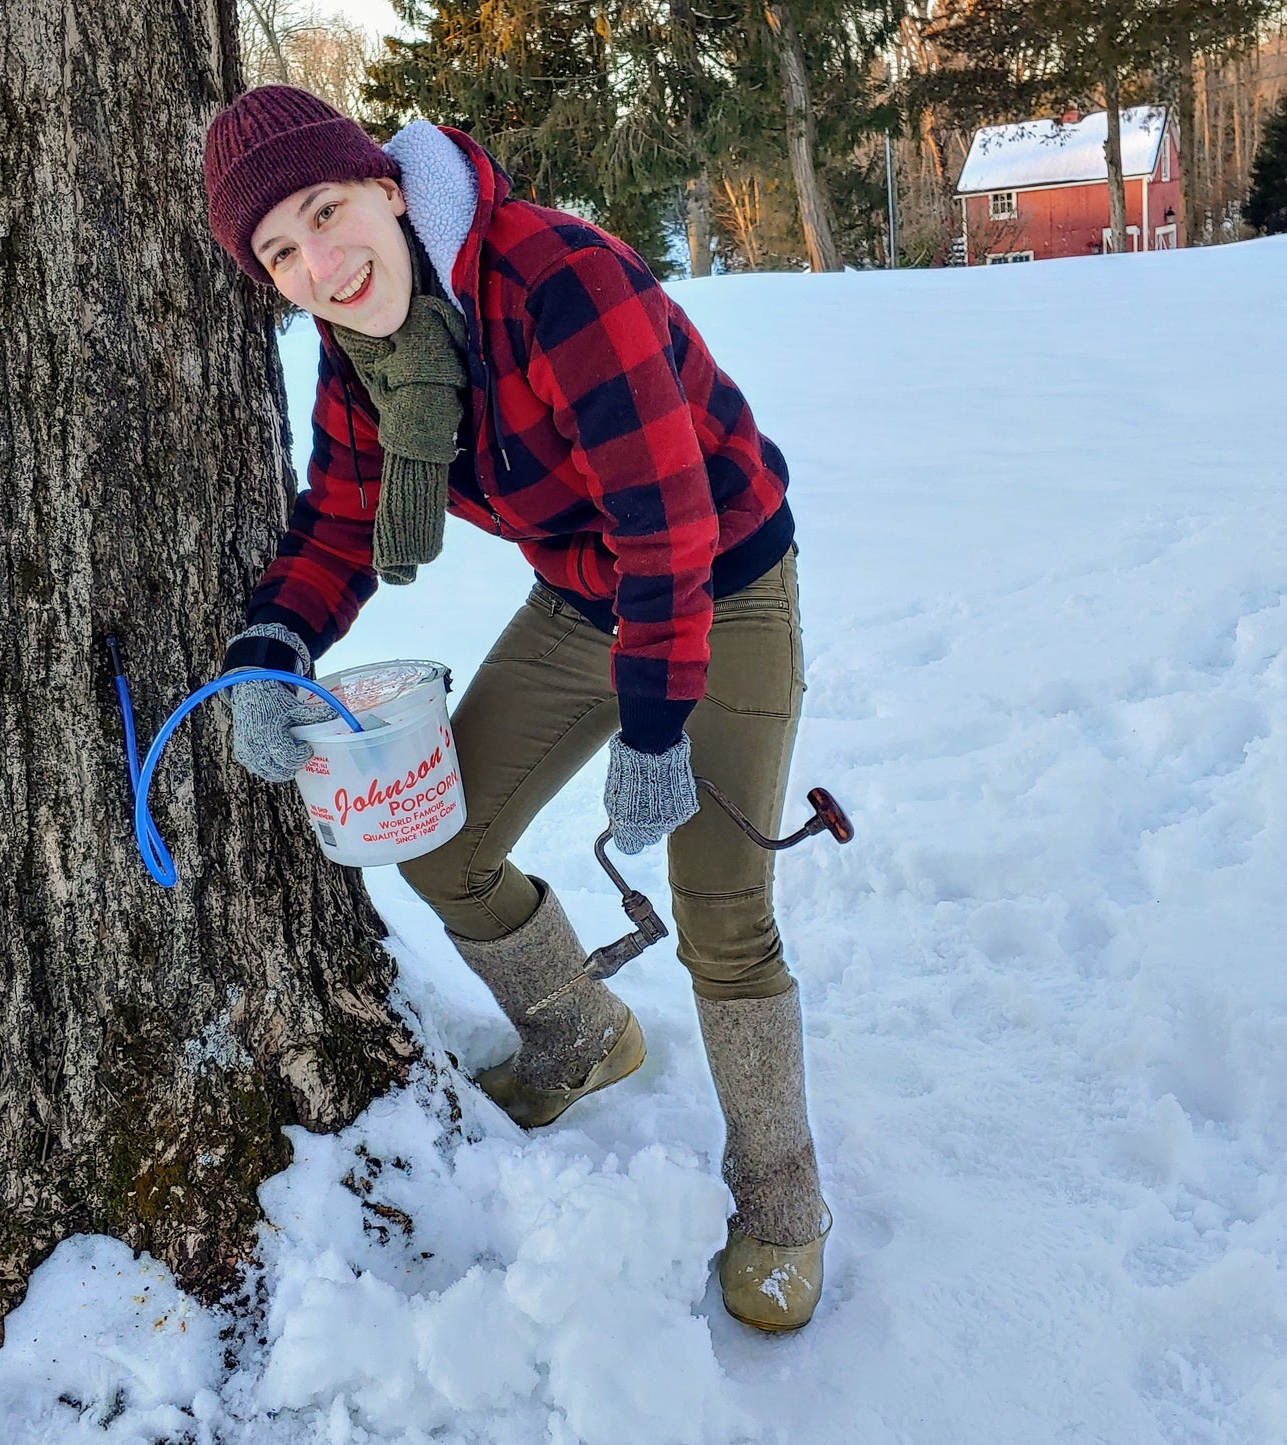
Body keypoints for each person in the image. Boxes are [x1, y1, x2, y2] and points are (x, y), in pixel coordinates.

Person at [203, 85, 830, 1331]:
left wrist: (654, 729)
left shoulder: (555, 280)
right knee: (436, 827)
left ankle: (779, 1192)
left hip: (721, 575)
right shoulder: (369, 351)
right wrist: (269, 648)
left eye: (327, 213)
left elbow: (667, 529)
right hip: (585, 595)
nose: (319, 264)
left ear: (386, 185)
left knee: (720, 906)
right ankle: (578, 1027)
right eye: (280, 250)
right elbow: (336, 517)